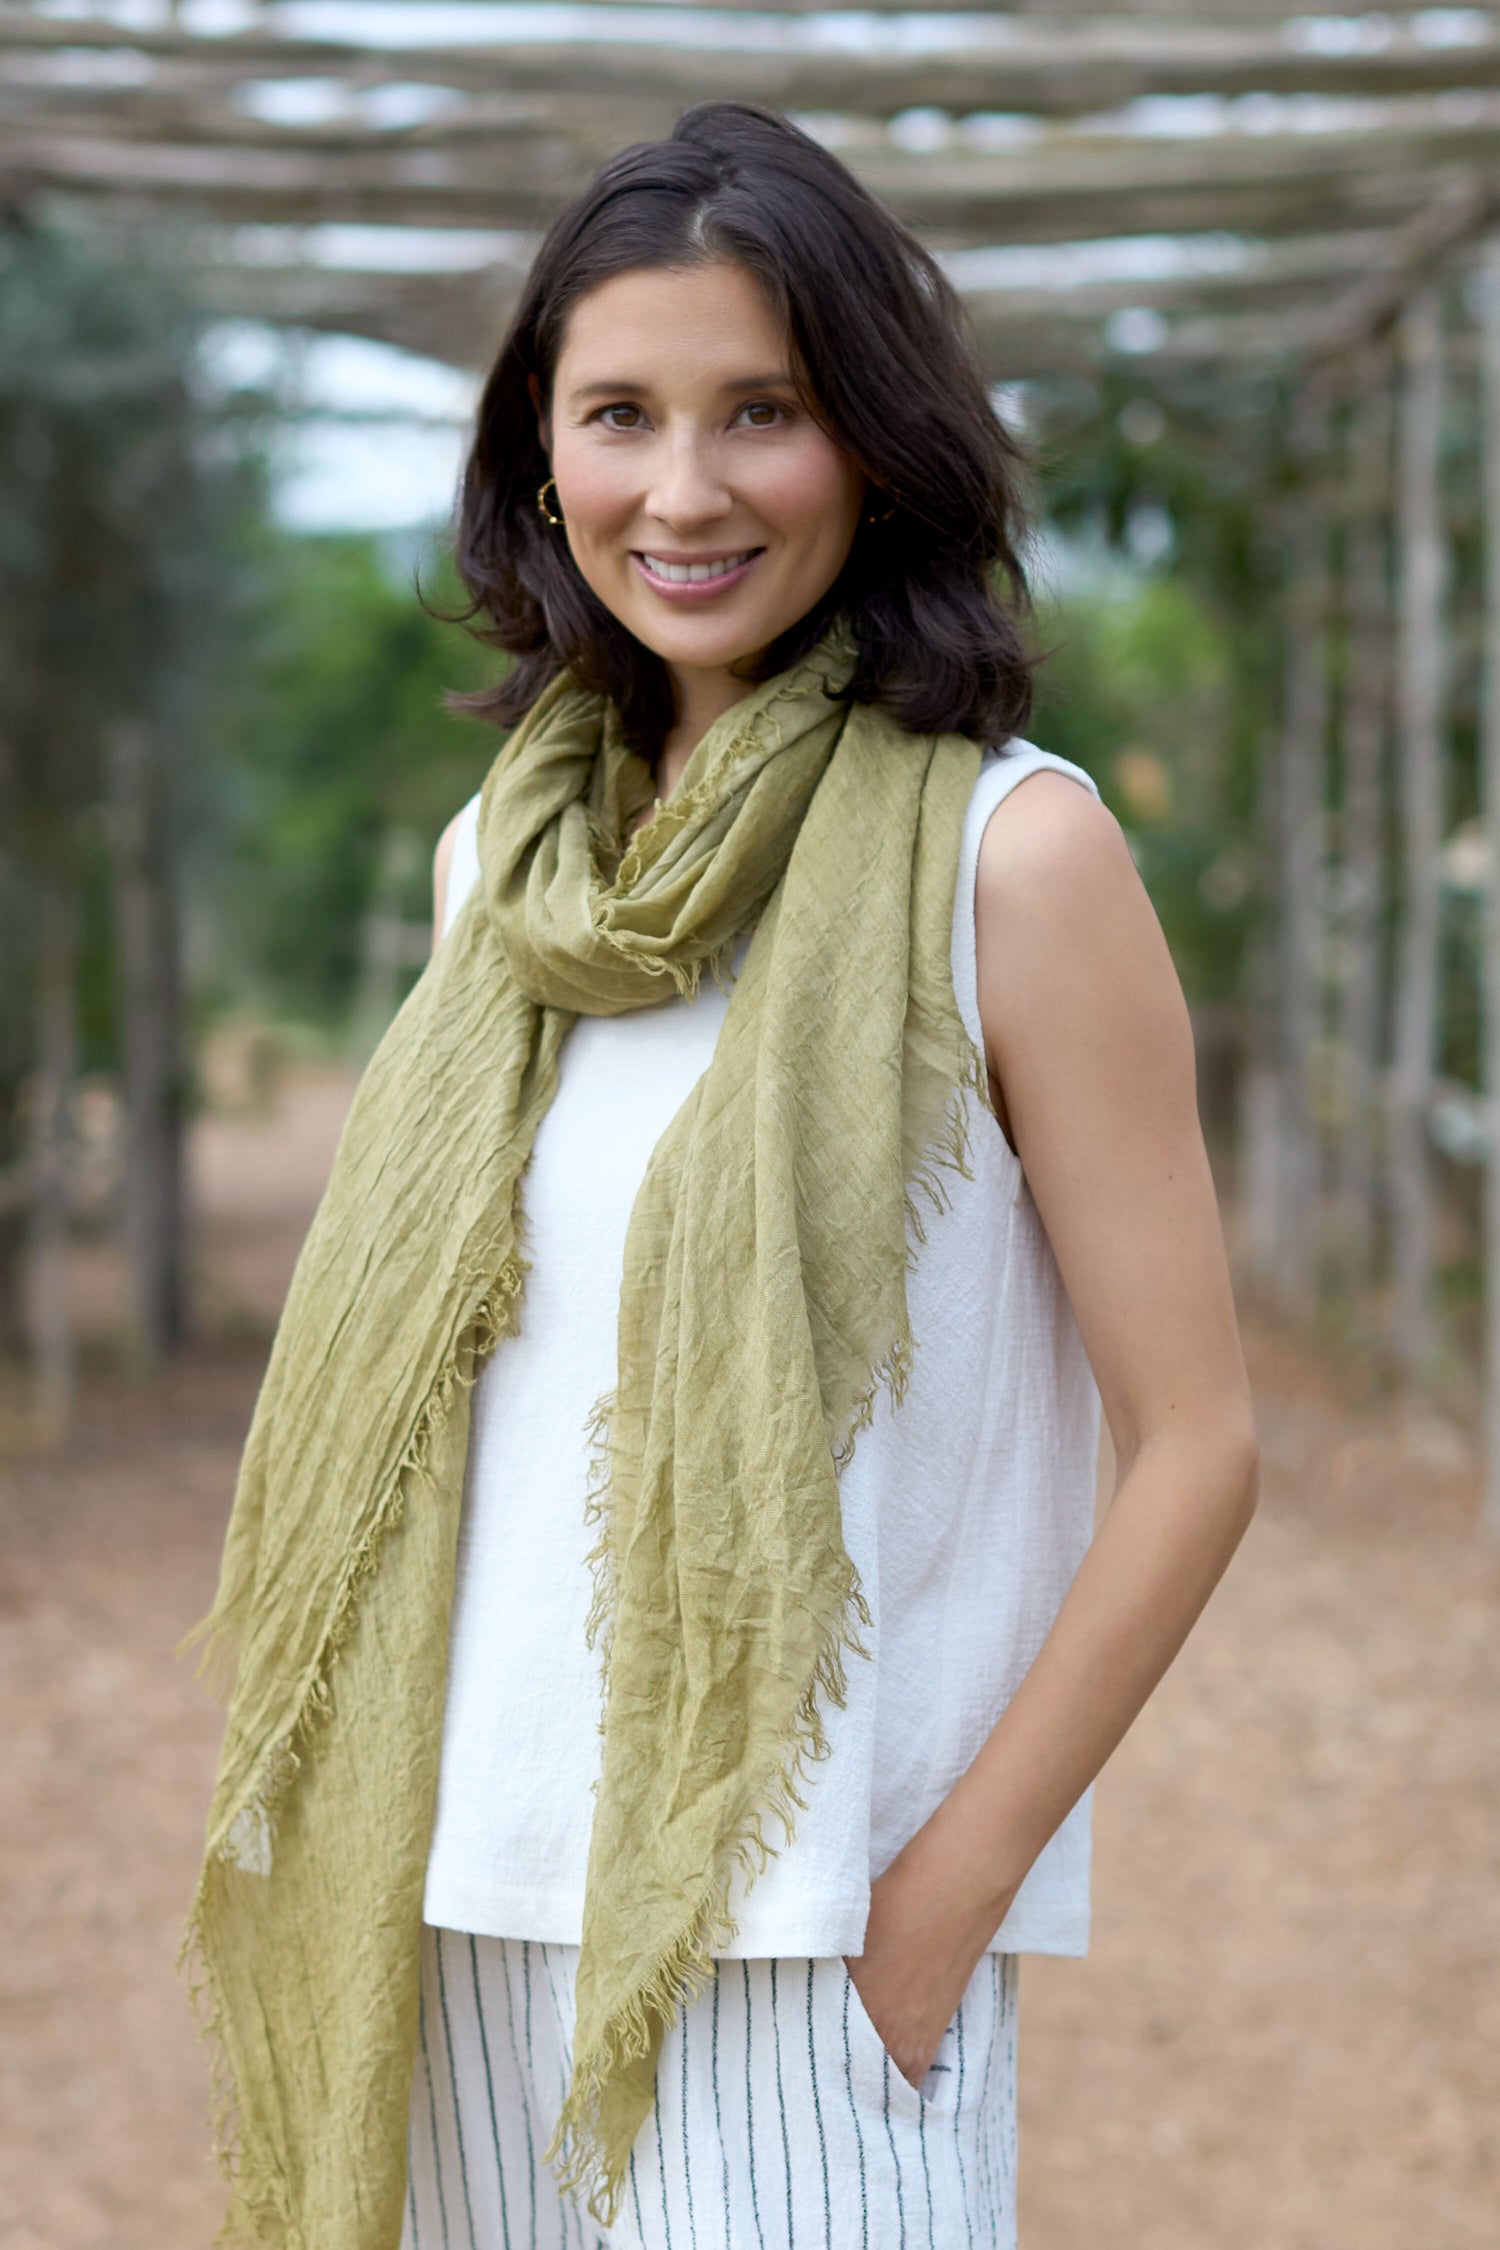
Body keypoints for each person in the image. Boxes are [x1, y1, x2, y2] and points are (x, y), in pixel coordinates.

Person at [185, 100, 1259, 2250]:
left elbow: (1200, 1444)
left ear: (873, 438)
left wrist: (934, 1909)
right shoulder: (502, 862)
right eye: (620, 415)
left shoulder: (1009, 856)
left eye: (760, 410)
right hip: (450, 1891)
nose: (682, 491)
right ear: (538, 456)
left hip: (800, 1933)